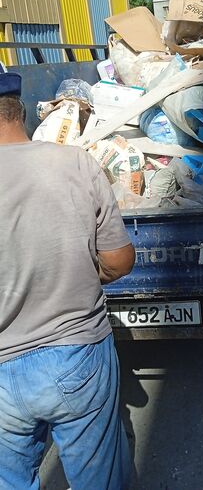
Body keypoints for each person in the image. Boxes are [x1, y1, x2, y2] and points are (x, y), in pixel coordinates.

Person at [0, 72, 135, 490]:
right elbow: (118, 261)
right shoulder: (75, 162)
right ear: (21, 112)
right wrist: (74, 268)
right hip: (76, 353)